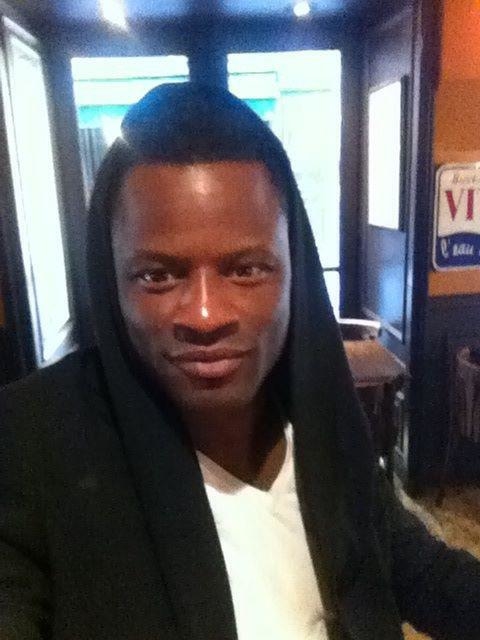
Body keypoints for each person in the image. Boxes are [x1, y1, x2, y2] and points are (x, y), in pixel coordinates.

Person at [1, 83, 479, 640]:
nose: (205, 315)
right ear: (111, 283)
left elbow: (419, 570)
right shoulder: (29, 446)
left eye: (246, 269)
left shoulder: (317, 417)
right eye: (158, 275)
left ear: (294, 269)